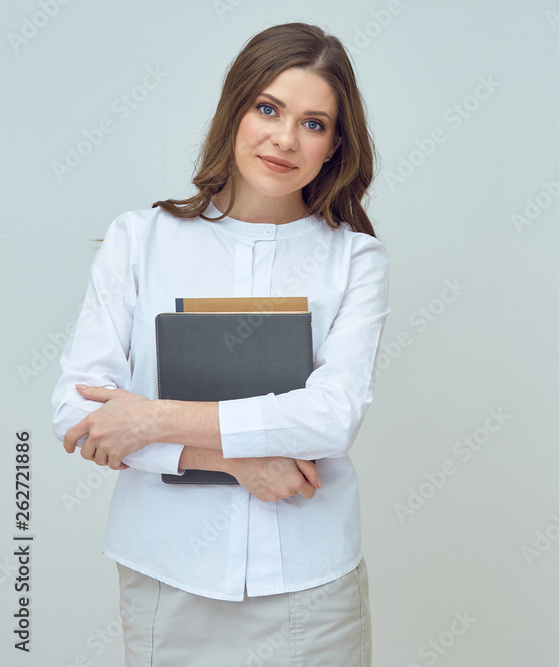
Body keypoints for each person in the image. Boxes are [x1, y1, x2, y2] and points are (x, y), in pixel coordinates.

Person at [49, 22, 387, 666]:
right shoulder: (140, 240)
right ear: (235, 109)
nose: (285, 139)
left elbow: (330, 418)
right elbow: (79, 411)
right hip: (166, 573)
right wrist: (231, 462)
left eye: (313, 124)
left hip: (311, 585)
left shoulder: (356, 260)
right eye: (268, 108)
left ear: (335, 145)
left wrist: (151, 418)